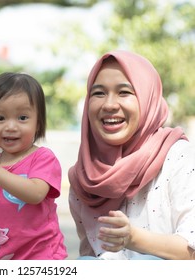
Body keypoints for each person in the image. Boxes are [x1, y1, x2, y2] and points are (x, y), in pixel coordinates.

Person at [68, 50, 195, 260]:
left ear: (148, 99)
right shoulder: (85, 179)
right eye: (98, 93)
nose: (109, 105)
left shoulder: (178, 158)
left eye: (124, 92)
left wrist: (134, 239)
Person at [0, 72, 67, 260]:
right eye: (0, 118)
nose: (10, 126)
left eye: (22, 118)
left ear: (38, 122)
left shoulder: (42, 158)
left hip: (39, 257)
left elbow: (35, 194)